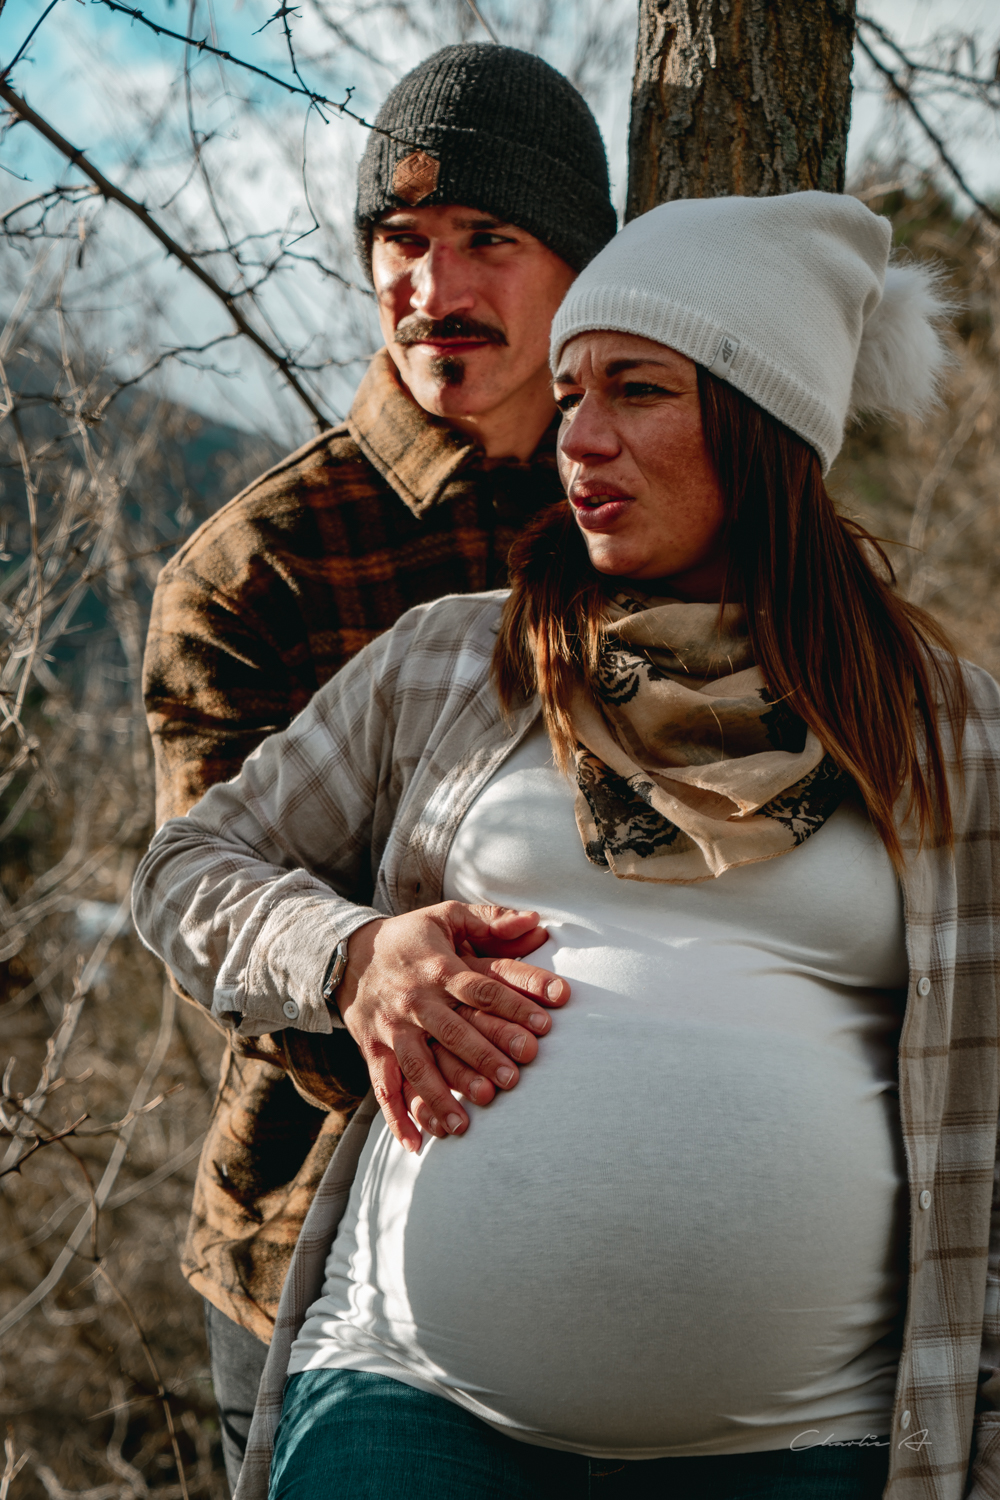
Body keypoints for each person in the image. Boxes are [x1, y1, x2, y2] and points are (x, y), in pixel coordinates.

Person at [132, 190, 1000, 1500]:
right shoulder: (451, 664)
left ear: (763, 430)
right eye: (572, 391)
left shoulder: (946, 727)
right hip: (414, 1403)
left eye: (636, 392)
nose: (578, 440)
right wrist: (354, 955)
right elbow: (185, 873)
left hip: (807, 1445)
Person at [141, 40, 616, 1489]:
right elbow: (202, 901)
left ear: (576, 265)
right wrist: (360, 961)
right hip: (318, 1242)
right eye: (401, 242)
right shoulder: (254, 568)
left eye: (489, 239)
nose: (436, 285)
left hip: (631, 1250)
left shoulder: (663, 503)